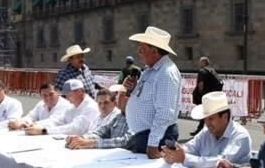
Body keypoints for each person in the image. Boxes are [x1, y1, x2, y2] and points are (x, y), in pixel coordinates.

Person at [123, 26, 181, 157]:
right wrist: (133, 88)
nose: (138, 52)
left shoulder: (166, 73)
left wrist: (153, 144)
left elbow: (165, 113)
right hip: (145, 136)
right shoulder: (151, 69)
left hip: (155, 137)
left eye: (142, 48)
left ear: (154, 51)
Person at [162, 91, 251, 168]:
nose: (207, 123)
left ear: (225, 117)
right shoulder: (206, 132)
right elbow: (191, 147)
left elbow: (222, 162)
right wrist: (174, 152)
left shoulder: (240, 136)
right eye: (205, 119)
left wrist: (184, 158)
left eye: (211, 118)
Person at [66, 85, 133, 150]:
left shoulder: (136, 119)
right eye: (118, 97)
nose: (118, 101)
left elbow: (126, 141)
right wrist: (80, 138)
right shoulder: (119, 117)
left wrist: (91, 143)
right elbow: (101, 132)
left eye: (121, 97)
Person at [25, 78, 99, 136]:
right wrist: (35, 125)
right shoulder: (72, 107)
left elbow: (76, 129)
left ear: (79, 92)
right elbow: (57, 121)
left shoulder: (91, 107)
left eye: (69, 94)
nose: (66, 97)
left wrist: (44, 130)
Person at [191, 56, 223, 135]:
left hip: (206, 95)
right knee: (209, 113)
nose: (199, 63)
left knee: (206, 112)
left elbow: (201, 84)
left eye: (200, 62)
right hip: (214, 95)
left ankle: (201, 130)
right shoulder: (211, 70)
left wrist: (200, 95)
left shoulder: (202, 71)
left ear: (204, 63)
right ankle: (202, 129)